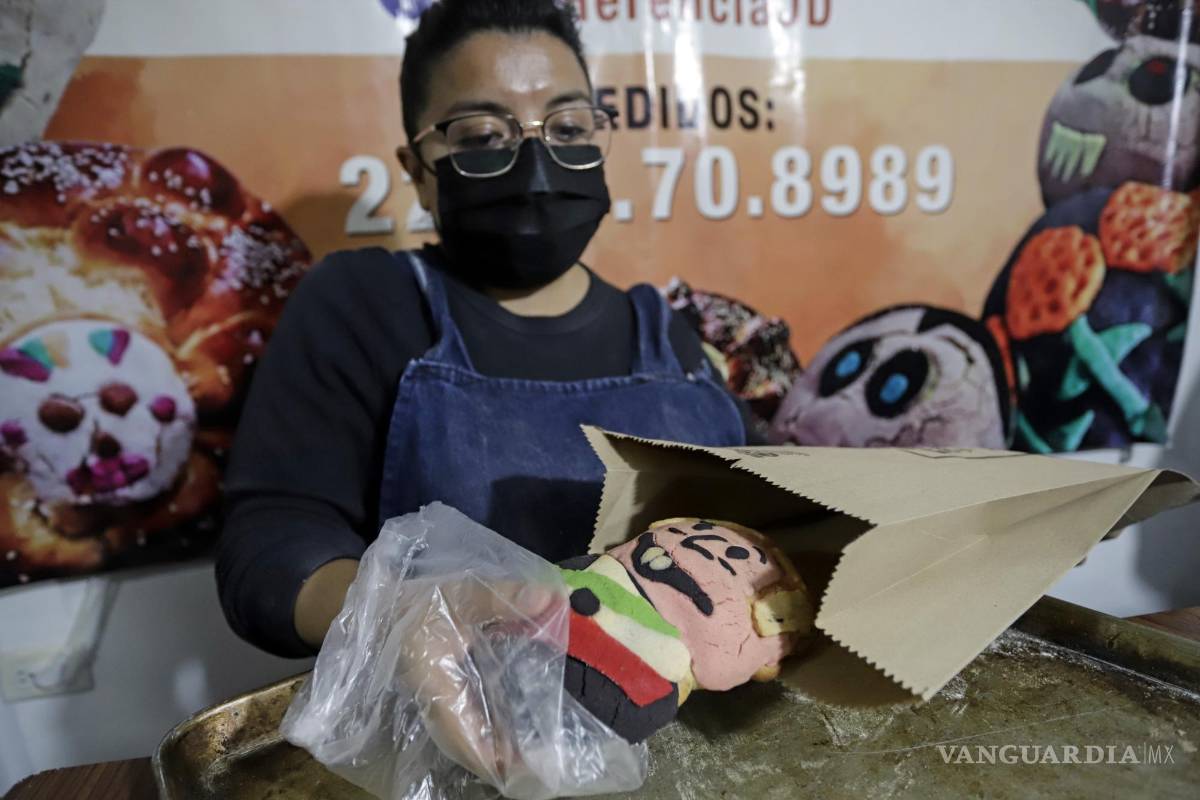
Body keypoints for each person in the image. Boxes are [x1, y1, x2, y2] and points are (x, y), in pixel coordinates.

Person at [216, 0, 756, 658]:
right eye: (481, 137)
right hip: (460, 734)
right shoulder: (369, 303)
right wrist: (404, 616)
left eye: (566, 125)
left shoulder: (668, 336)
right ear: (417, 170)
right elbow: (270, 542)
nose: (535, 161)